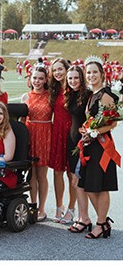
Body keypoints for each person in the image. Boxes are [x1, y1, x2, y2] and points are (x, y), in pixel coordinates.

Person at [78, 57, 120, 239]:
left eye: (95, 72)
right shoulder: (92, 95)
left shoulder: (105, 95)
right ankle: (103, 220)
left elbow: (112, 124)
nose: (91, 75)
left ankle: (101, 224)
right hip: (91, 145)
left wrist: (94, 133)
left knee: (101, 187)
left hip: (102, 146)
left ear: (102, 74)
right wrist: (88, 132)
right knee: (89, 186)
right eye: (88, 72)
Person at [21, 66, 53, 221]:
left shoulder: (50, 96)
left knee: (42, 175)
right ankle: (32, 206)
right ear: (30, 78)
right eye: (34, 78)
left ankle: (42, 208)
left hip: (45, 135)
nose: (37, 81)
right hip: (30, 134)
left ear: (46, 79)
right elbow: (21, 122)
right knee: (31, 174)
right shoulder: (25, 97)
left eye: (40, 78)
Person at [64, 65, 93, 233]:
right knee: (76, 182)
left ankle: (85, 218)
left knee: (79, 181)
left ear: (81, 78)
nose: (73, 81)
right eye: (70, 78)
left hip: (82, 143)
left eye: (76, 78)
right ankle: (83, 217)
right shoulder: (71, 94)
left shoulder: (88, 95)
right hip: (72, 142)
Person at [48, 57, 75, 223]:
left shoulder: (75, 89)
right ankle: (59, 207)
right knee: (57, 172)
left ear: (67, 70)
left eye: (60, 69)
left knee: (72, 174)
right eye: (55, 70)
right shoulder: (54, 90)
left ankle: (72, 209)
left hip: (71, 133)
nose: (57, 73)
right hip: (57, 133)